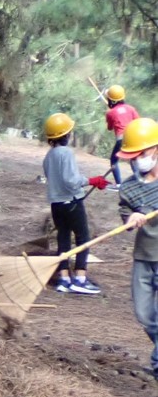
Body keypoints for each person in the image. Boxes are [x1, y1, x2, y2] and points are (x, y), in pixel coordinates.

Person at [41, 112, 104, 295]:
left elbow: (51, 177)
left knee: (63, 238)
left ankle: (64, 279)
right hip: (72, 203)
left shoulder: (49, 155)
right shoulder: (66, 153)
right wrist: (91, 180)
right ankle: (80, 279)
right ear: (66, 135)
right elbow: (71, 180)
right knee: (83, 238)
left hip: (56, 204)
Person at [115, 116, 158, 378]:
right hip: (144, 256)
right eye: (131, 156)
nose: (135, 160)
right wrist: (132, 219)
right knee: (144, 315)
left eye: (139, 153)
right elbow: (125, 218)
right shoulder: (129, 187)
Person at [104, 85, 139, 185]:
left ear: (111, 100)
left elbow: (110, 128)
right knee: (134, 159)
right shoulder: (131, 108)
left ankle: (119, 184)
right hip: (133, 137)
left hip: (121, 138)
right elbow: (138, 122)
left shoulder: (110, 113)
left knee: (114, 160)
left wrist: (109, 114)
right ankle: (139, 182)